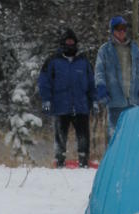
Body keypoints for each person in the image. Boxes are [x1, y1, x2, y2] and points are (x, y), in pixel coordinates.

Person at [38, 28, 97, 168]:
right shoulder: (52, 62)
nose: (70, 45)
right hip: (60, 106)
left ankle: (84, 160)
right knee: (60, 136)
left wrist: (94, 100)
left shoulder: (84, 62)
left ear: (76, 44)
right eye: (67, 42)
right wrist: (46, 99)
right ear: (62, 44)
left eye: (72, 42)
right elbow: (44, 81)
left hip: (81, 105)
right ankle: (59, 160)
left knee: (83, 136)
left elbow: (91, 82)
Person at [95, 15, 139, 140]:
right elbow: (99, 72)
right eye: (119, 29)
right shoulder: (105, 50)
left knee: (134, 136)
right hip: (115, 101)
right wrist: (101, 87)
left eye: (124, 29)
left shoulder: (134, 48)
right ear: (112, 30)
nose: (122, 32)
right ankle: (114, 160)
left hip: (134, 101)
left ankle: (133, 159)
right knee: (115, 137)